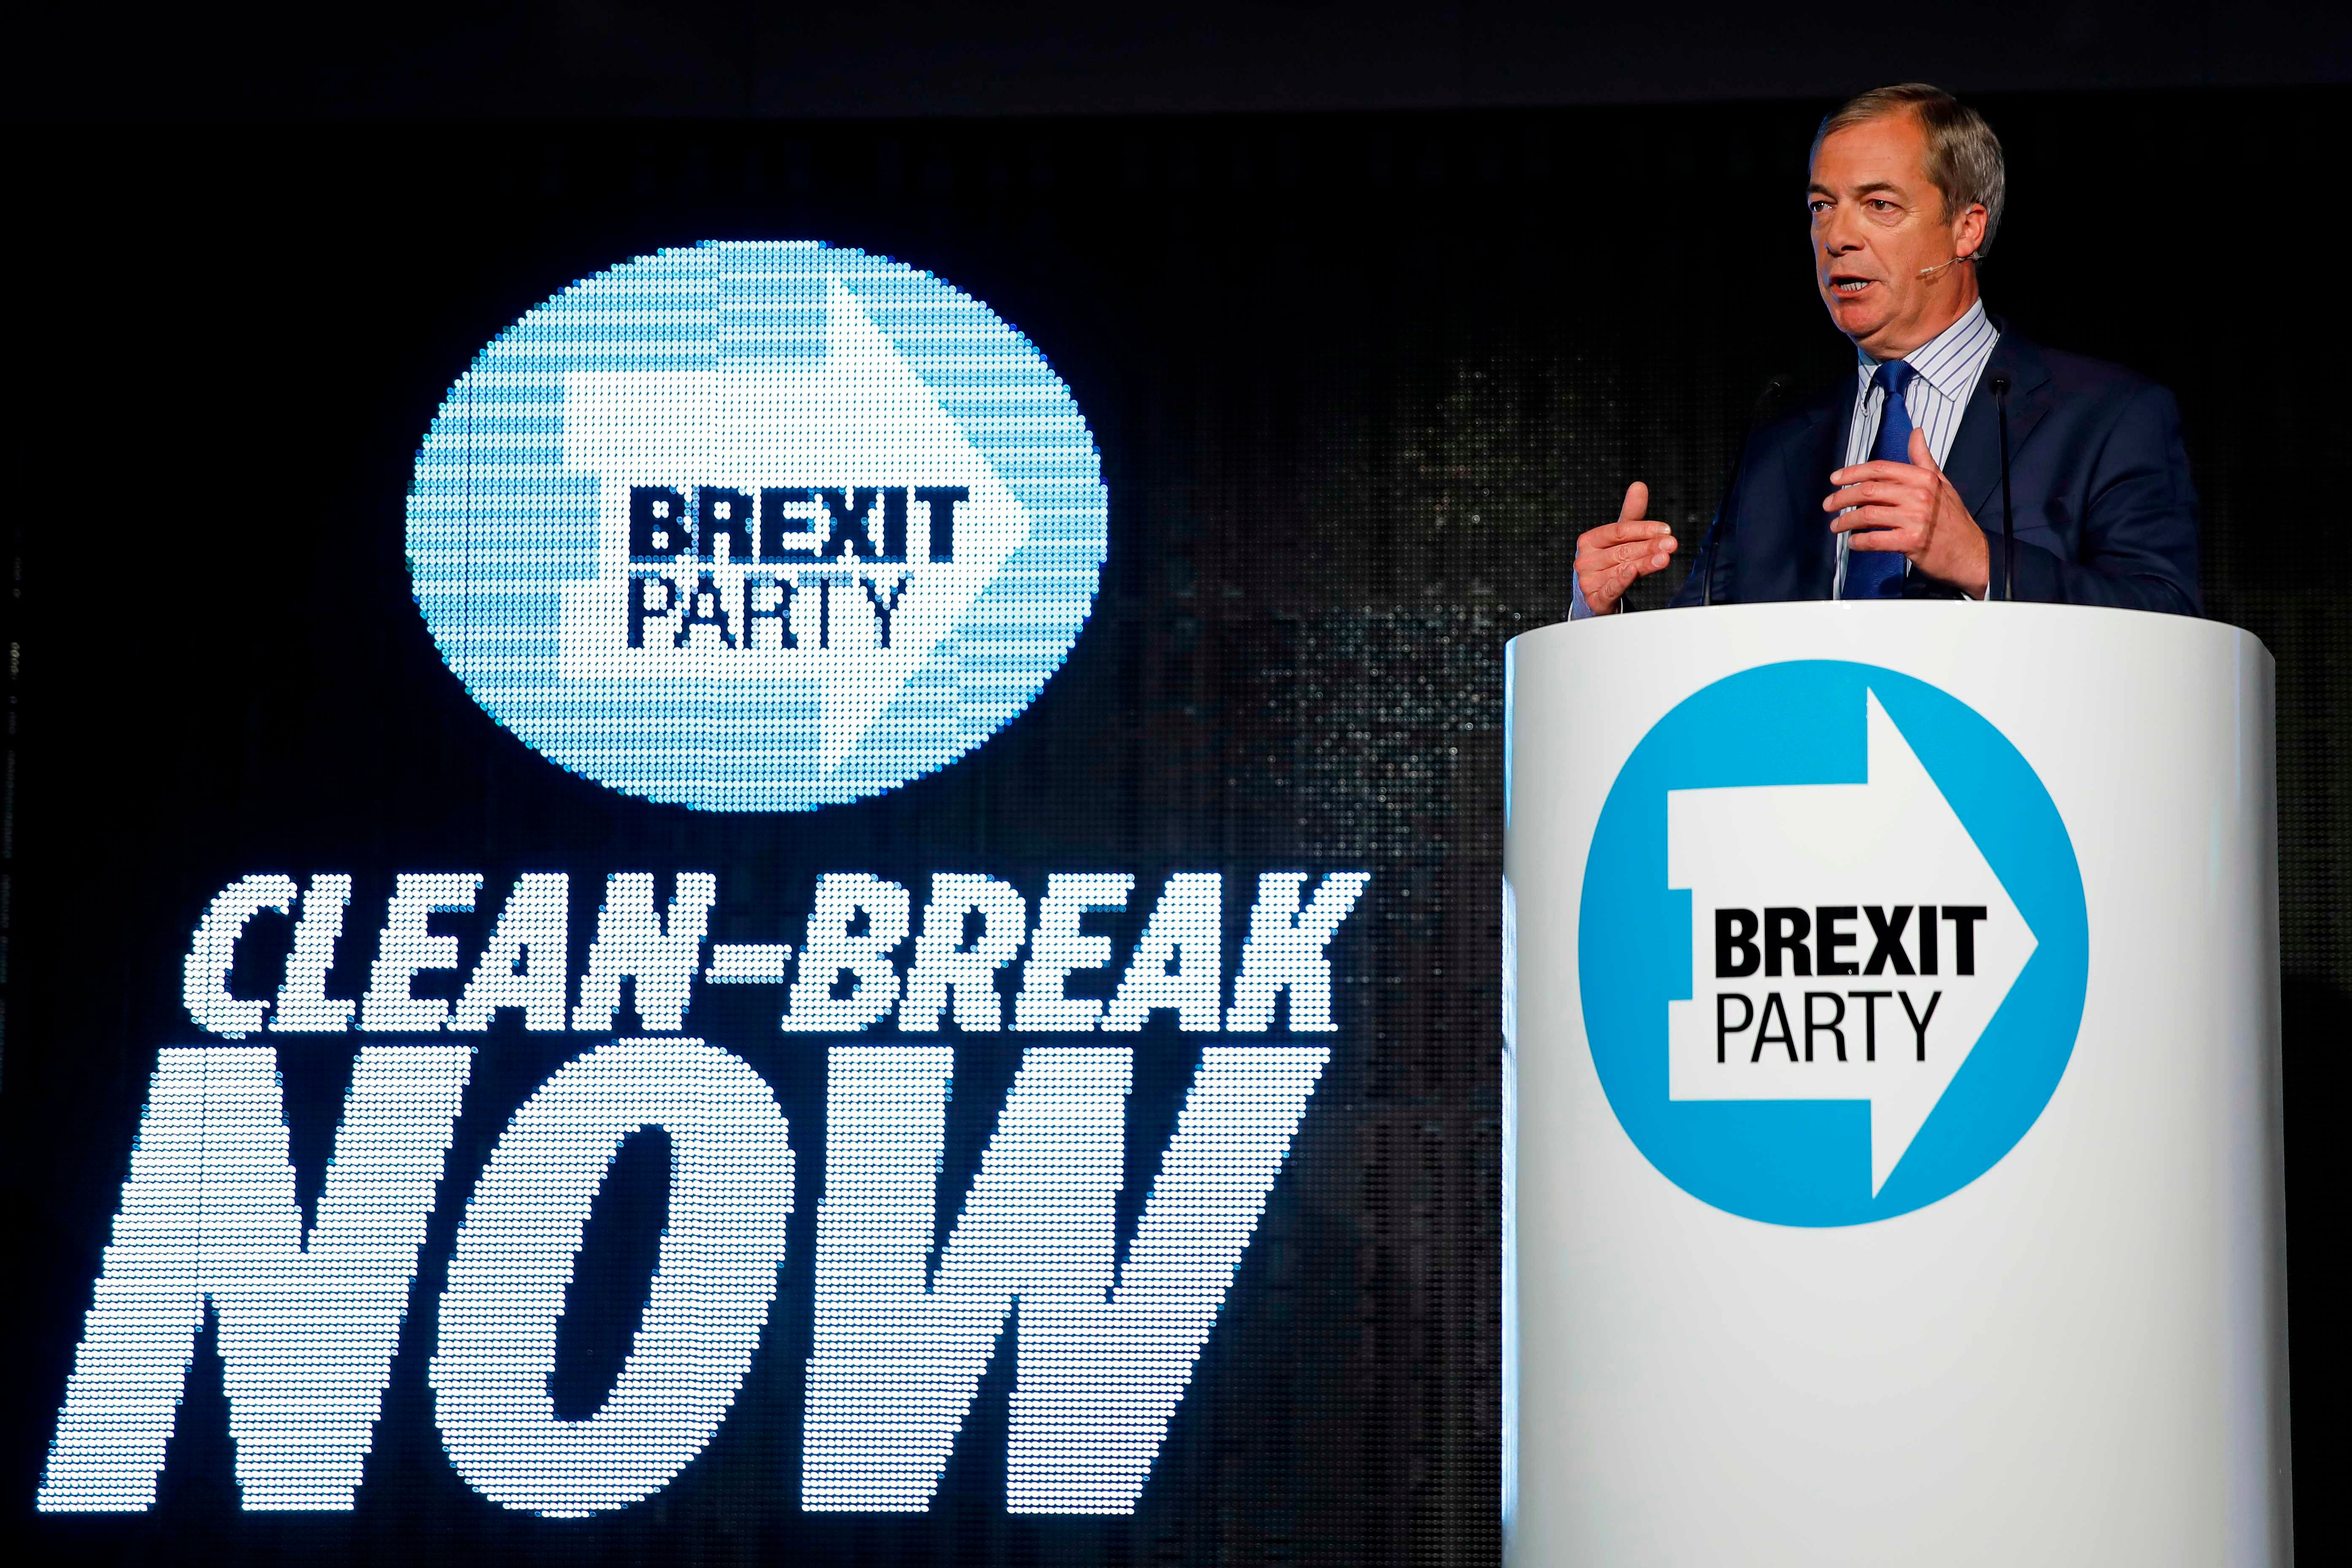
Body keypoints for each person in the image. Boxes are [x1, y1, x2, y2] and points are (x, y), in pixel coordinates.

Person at [1573, 83, 2201, 617]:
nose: (1838, 236)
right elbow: (1716, 650)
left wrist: (1980, 563)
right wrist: (1600, 612)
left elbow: (2167, 620)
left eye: (1879, 205)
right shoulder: (1777, 446)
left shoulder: (2109, 416)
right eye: (1822, 206)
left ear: (1966, 228)